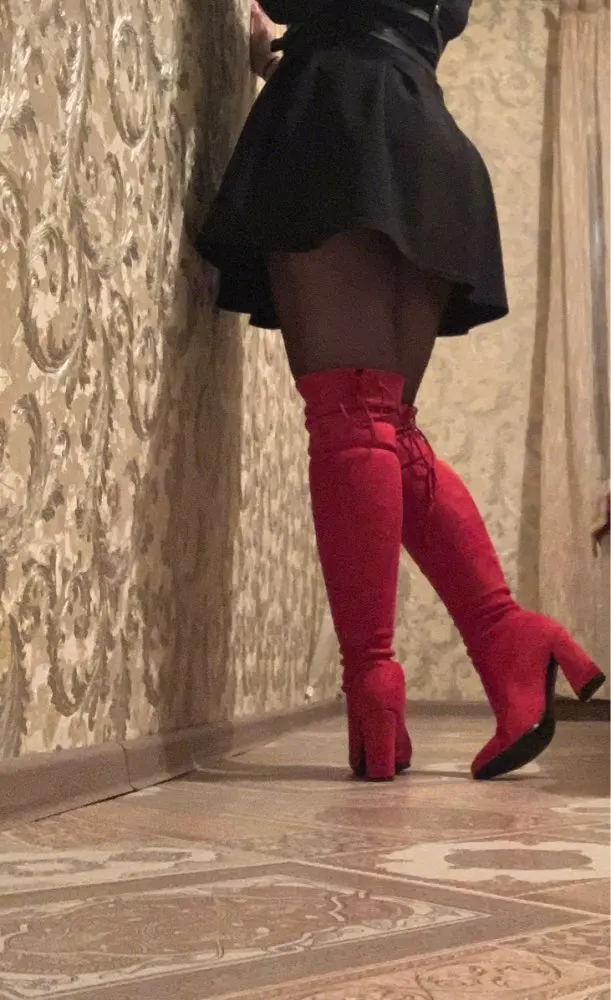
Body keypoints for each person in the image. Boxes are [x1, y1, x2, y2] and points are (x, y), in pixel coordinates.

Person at [194, 0, 605, 782]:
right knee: (384, 423)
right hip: (422, 135)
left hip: (342, 116)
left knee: (353, 418)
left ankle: (372, 682)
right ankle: (508, 636)